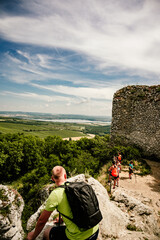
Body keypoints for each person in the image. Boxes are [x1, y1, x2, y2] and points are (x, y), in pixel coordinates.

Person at [27, 166, 99, 240]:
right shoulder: (76, 187)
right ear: (65, 175)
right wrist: (63, 217)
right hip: (95, 231)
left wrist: (33, 236)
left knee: (46, 232)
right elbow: (79, 206)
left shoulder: (55, 194)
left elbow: (42, 221)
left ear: (52, 178)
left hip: (78, 238)